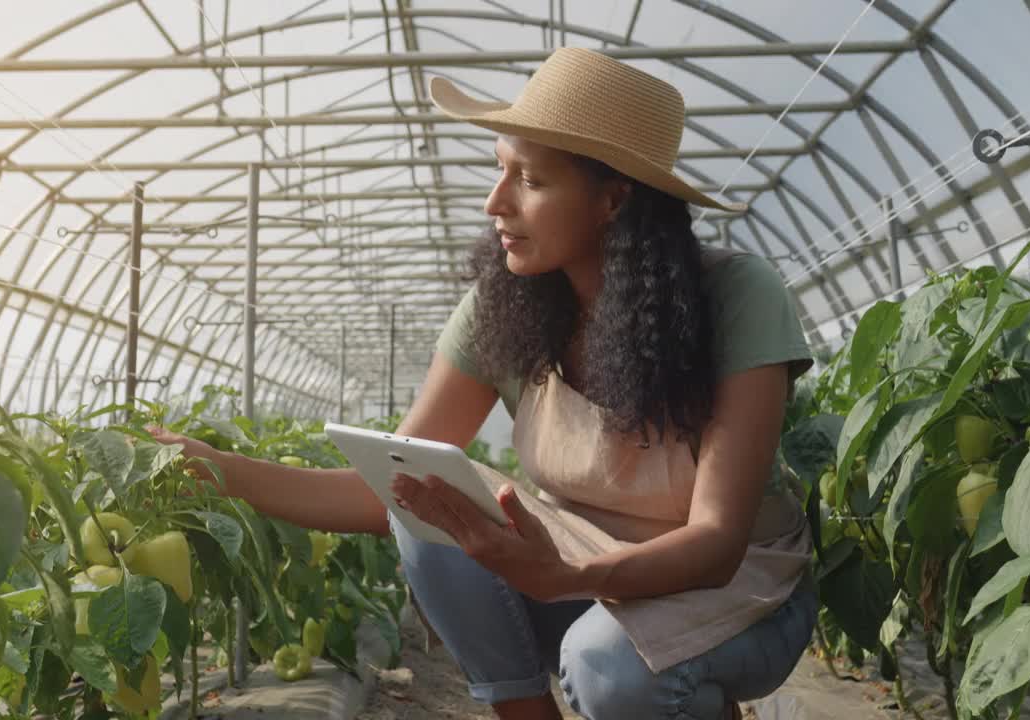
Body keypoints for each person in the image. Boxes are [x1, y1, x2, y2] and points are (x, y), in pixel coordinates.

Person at [151, 47, 817, 720]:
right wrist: (224, 472)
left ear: (613, 200)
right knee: (427, 505)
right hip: (586, 574)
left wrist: (569, 577)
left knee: (610, 667)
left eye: (529, 179)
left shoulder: (735, 296)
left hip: (739, 591)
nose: (495, 201)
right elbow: (383, 488)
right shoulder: (508, 307)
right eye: (501, 170)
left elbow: (717, 539)